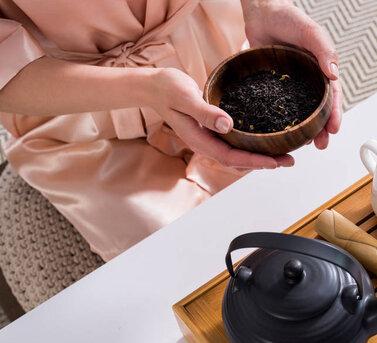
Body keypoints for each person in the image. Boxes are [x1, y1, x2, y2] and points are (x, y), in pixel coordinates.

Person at [0, 0, 343, 261]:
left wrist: (263, 7)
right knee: (182, 256)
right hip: (79, 109)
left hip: (214, 51)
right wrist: (147, 88)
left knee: (322, 200)